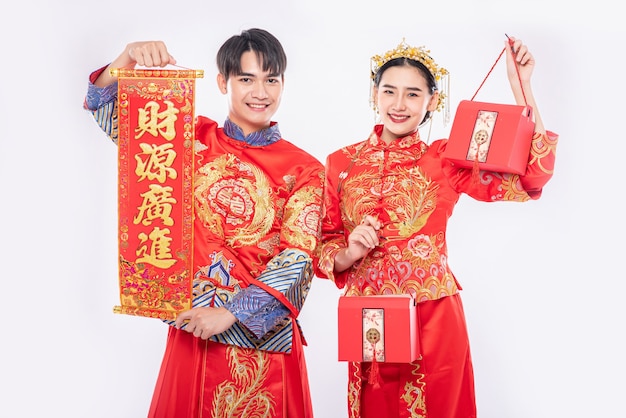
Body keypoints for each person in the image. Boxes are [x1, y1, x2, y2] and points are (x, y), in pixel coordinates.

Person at [83, 28, 323, 418]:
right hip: (193, 325)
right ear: (222, 82)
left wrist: (229, 313)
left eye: (271, 79)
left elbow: (298, 258)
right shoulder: (186, 138)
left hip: (262, 340)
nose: (260, 92)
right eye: (246, 79)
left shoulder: (305, 168)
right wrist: (126, 57)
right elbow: (102, 104)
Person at [315, 35, 558, 418]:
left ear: (432, 101)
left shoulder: (445, 157)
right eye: (389, 91)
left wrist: (521, 86)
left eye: (413, 94)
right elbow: (324, 244)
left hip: (434, 317)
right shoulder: (339, 163)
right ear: (374, 94)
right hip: (369, 320)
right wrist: (349, 253)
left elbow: (532, 175)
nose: (399, 104)